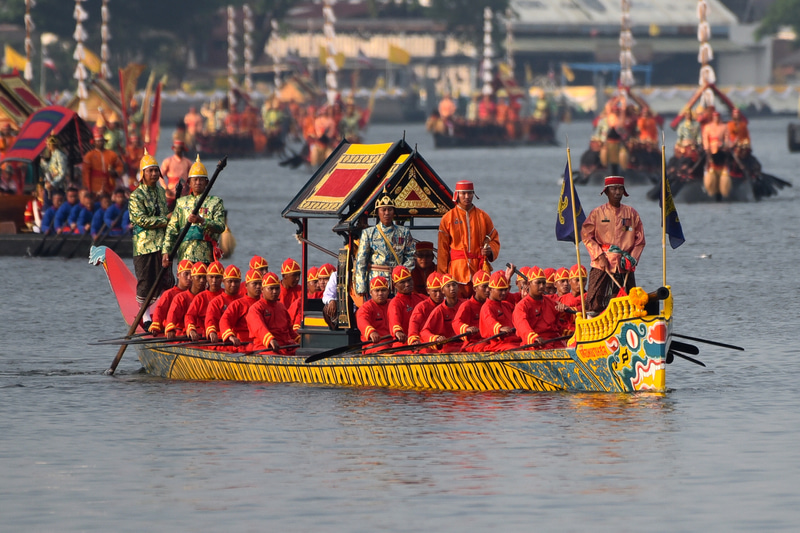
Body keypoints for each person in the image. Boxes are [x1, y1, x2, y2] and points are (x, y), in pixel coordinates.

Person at [580, 176, 645, 315]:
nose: (617, 192)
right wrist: (599, 256)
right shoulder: (597, 213)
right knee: (594, 301)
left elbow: (640, 241)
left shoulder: (632, 214)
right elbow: (586, 236)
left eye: (620, 189)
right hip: (603, 264)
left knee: (630, 301)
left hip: (625, 265)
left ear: (624, 191)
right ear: (606, 192)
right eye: (613, 189)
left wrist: (632, 260)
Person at [438, 180, 500, 298]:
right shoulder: (448, 218)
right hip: (457, 270)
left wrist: (490, 250)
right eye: (463, 193)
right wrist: (442, 276)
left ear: (474, 194)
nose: (467, 196)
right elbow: (442, 250)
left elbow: (494, 238)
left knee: (481, 301)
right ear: (457, 195)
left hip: (479, 268)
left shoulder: (483, 216)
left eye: (470, 193)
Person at [162, 155, 226, 266]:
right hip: (185, 255)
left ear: (207, 183)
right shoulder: (181, 203)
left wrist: (202, 221)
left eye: (201, 179)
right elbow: (172, 229)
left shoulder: (215, 202)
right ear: (189, 182)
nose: (198, 182)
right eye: (195, 179)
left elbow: (220, 226)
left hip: (207, 256)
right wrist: (166, 251)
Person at [129, 149, 172, 308]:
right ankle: (145, 316)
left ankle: (162, 312)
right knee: (146, 280)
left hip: (162, 244)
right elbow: (140, 220)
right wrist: (164, 220)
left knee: (165, 279)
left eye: (156, 170)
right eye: (150, 171)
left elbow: (164, 213)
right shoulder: (136, 196)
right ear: (143, 174)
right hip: (144, 245)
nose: (154, 173)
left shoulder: (161, 191)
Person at [354, 194, 416, 297]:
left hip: (398, 281)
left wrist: (403, 276)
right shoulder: (369, 233)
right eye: (383, 210)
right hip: (376, 280)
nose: (387, 213)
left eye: (390, 210)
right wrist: (361, 286)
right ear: (378, 212)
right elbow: (361, 261)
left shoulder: (404, 232)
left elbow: (410, 256)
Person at [512, 266, 569, 349]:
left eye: (543, 283)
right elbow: (522, 326)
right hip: (535, 344)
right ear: (528, 284)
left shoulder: (551, 302)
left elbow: (559, 325)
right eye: (538, 283)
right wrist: (533, 338)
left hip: (554, 341)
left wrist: (564, 310)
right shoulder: (522, 306)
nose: (542, 286)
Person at [247, 272, 299, 355]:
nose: (275, 292)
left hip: (285, 346)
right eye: (271, 289)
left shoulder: (281, 307)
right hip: (265, 347)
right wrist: (270, 339)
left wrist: (301, 340)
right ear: (262, 290)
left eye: (277, 288)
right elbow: (259, 328)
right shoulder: (255, 309)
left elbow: (290, 330)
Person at [420, 274, 465, 352]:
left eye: (454, 285)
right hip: (448, 348)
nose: (452, 288)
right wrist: (436, 338)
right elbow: (424, 332)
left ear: (458, 287)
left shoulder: (466, 305)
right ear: (442, 291)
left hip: (466, 344)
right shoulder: (439, 310)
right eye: (448, 286)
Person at [477, 271, 521, 351]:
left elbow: (519, 316)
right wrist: (500, 328)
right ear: (490, 289)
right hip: (498, 344)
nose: (504, 293)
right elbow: (489, 321)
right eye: (500, 290)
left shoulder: (507, 305)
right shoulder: (486, 307)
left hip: (514, 340)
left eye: (505, 290)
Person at [219, 269, 263, 349]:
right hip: (244, 346)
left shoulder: (265, 303)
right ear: (246, 286)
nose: (258, 287)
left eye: (260, 284)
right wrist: (230, 336)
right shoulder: (238, 304)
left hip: (263, 343)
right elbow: (224, 320)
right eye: (255, 284)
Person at [148, 259, 193, 334]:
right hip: (174, 331)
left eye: (191, 275)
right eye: (186, 274)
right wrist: (156, 325)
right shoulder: (168, 294)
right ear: (178, 275)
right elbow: (160, 310)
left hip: (191, 330)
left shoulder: (196, 294)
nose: (189, 278)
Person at [165, 262, 208, 339]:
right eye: (199, 277)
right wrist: (170, 329)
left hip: (206, 333)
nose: (202, 281)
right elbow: (172, 314)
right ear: (192, 278)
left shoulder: (210, 297)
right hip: (185, 333)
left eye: (204, 278)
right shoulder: (180, 298)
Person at [185, 261, 224, 341]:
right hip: (206, 336)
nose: (214, 281)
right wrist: (191, 330)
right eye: (211, 277)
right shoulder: (200, 297)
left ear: (222, 279)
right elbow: (189, 316)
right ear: (207, 278)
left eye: (217, 277)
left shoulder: (226, 295)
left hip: (225, 334)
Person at [387, 266, 425, 347]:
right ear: (395, 285)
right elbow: (395, 322)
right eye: (402, 282)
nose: (407, 284)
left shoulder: (420, 298)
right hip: (404, 344)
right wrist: (398, 332)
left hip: (421, 341)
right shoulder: (395, 303)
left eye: (409, 280)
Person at [453, 270, 491, 351]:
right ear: (475, 288)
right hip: (474, 343)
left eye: (489, 287)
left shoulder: (492, 304)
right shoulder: (467, 305)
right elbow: (456, 323)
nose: (488, 290)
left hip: (490, 340)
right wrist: (467, 329)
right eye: (484, 287)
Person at [205, 264, 242, 342]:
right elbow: (210, 320)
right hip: (222, 339)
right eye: (230, 281)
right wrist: (212, 333)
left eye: (236, 282)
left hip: (241, 340)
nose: (233, 284)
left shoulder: (243, 300)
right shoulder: (216, 302)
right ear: (223, 281)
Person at [355, 276, 393, 353]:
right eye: (377, 290)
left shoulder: (393, 303)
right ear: (371, 293)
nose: (380, 293)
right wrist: (371, 332)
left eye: (383, 290)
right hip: (374, 344)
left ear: (388, 292)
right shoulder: (366, 307)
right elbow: (362, 321)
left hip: (394, 341)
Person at [407, 272, 444, 346]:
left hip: (446, 344)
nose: (438, 295)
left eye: (440, 291)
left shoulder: (448, 305)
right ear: (428, 291)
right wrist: (414, 340)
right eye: (435, 291)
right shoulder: (421, 307)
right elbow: (414, 325)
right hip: (426, 345)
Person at [82, 127, 124, 194]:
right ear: (94, 142)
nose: (100, 143)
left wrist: (115, 172)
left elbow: (120, 166)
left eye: (101, 141)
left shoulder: (112, 154)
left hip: (110, 184)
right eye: (98, 141)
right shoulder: (89, 155)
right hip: (95, 185)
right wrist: (88, 187)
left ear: (104, 142)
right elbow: (86, 173)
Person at [701, 111, 731, 199]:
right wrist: (707, 148)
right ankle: (710, 188)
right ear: (713, 118)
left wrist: (725, 145)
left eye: (718, 117)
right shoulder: (707, 127)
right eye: (715, 117)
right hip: (711, 150)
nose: (716, 118)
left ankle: (724, 188)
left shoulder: (724, 126)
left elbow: (726, 138)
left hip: (721, 150)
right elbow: (705, 138)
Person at [159, 139, 192, 210]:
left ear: (182, 149)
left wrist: (190, 189)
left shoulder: (187, 162)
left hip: (184, 193)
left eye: (179, 148)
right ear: (174, 149)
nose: (177, 150)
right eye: (176, 148)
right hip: (170, 192)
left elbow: (192, 177)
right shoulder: (168, 161)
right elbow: (160, 176)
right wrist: (166, 188)